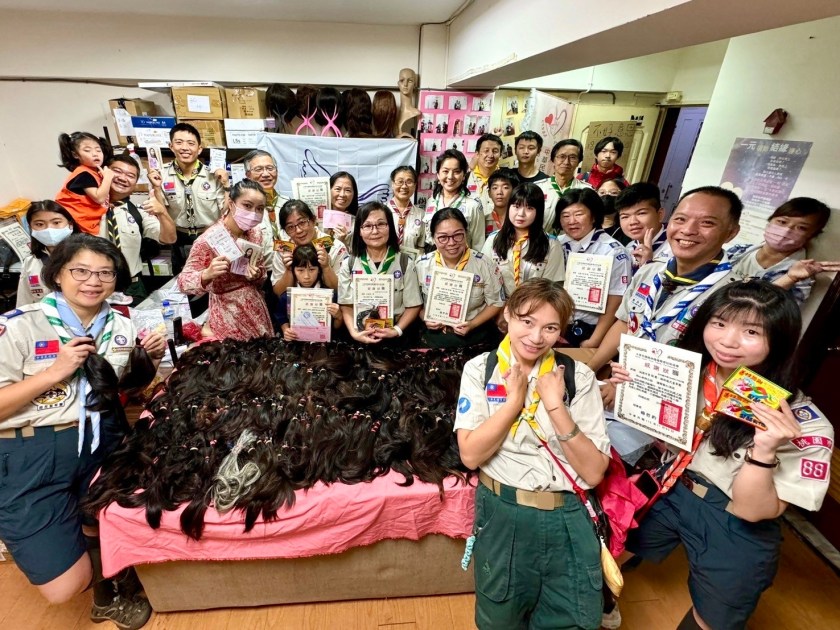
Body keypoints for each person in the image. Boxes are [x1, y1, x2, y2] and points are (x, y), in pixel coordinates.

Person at [610, 280, 833, 630]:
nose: (728, 341)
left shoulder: (805, 424)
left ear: (780, 339)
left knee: (715, 616)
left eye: (751, 331)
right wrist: (633, 391)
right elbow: (663, 437)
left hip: (734, 519)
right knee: (613, 548)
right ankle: (603, 606)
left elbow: (751, 510)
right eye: (719, 323)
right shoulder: (687, 373)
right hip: (670, 486)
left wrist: (765, 449)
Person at [0, 234, 165, 629]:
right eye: (81, 271)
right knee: (63, 587)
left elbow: (124, 390)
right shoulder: (18, 326)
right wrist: (53, 373)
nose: (93, 281)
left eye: (105, 273)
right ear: (57, 274)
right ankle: (94, 564)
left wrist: (148, 361)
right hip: (33, 450)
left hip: (104, 437)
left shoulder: (122, 324)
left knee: (108, 513)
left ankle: (111, 586)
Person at [455, 278, 611, 630]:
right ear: (508, 315)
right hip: (503, 509)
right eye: (527, 321)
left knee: (571, 617)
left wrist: (556, 406)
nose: (536, 337)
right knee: (500, 616)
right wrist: (513, 401)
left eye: (550, 328)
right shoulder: (481, 370)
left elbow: (593, 473)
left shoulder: (578, 377)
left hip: (567, 512)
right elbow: (470, 455)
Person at [587, 186, 743, 406]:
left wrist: (628, 386)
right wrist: (589, 370)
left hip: (676, 404)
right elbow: (625, 323)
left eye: (707, 223)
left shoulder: (734, 298)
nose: (688, 230)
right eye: (680, 219)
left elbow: (719, 369)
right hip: (623, 384)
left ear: (731, 232)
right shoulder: (650, 272)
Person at [177, 179, 272, 341]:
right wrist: (207, 274)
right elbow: (183, 282)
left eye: (260, 209)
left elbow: (261, 273)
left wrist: (257, 274)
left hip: (255, 309)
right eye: (247, 206)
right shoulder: (208, 239)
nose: (253, 213)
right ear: (231, 203)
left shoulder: (255, 233)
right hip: (227, 314)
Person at [415, 208, 504, 348]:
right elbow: (415, 303)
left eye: (458, 235)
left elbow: (496, 302)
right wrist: (425, 317)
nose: (451, 243)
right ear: (433, 238)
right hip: (434, 337)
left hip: (475, 336)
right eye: (443, 237)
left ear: (466, 233)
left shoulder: (484, 264)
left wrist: (472, 324)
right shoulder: (421, 265)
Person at [148, 123, 229, 275]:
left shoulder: (214, 175)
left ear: (199, 149)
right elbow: (160, 212)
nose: (185, 148)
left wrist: (226, 184)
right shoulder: (160, 175)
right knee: (183, 279)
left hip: (209, 236)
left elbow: (225, 211)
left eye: (191, 143)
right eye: (179, 142)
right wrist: (157, 188)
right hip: (178, 238)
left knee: (214, 278)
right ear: (171, 146)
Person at [338, 201, 423, 345]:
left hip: (395, 339)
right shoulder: (349, 263)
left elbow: (413, 305)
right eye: (367, 226)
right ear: (359, 230)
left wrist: (396, 330)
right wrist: (354, 333)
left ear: (390, 227)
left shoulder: (405, 262)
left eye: (381, 224)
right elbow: (346, 304)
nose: (375, 231)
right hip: (361, 335)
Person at [726, 197, 839, 304]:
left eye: (802, 228)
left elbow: (773, 313)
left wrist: (789, 279)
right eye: (782, 222)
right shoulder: (737, 251)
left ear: (812, 235)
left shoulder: (801, 277)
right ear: (770, 221)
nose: (787, 230)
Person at [556, 189, 631, 348]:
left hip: (587, 329)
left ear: (594, 216)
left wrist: (594, 341)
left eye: (579, 214)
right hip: (555, 324)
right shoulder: (556, 244)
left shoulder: (613, 251)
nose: (572, 221)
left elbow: (615, 301)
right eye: (565, 215)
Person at [101, 154, 176, 304]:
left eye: (130, 176)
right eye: (117, 171)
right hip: (94, 285)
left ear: (135, 183)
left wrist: (162, 212)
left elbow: (169, 238)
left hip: (131, 286)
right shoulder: (83, 211)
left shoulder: (139, 213)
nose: (123, 178)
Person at [483, 183, 565, 300]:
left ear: (538, 212)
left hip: (536, 305)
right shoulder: (493, 240)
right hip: (499, 305)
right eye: (516, 206)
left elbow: (551, 289)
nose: (521, 214)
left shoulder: (551, 244)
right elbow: (485, 279)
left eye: (529, 208)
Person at [271, 199, 348, 295]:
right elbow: (278, 292)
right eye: (290, 227)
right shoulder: (283, 249)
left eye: (302, 222)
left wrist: (326, 267)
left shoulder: (335, 246)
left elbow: (342, 291)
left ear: (313, 220)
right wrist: (289, 270)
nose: (298, 230)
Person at [17, 201, 80, 307]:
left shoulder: (87, 256)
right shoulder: (30, 262)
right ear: (31, 228)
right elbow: (24, 302)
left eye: (56, 222)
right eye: (39, 224)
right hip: (43, 316)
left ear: (70, 224)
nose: (49, 229)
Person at [277, 244, 342, 342]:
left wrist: (339, 316)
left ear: (319, 269)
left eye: (312, 269)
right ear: (293, 270)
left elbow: (336, 328)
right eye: (300, 270)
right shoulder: (287, 297)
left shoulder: (330, 296)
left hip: (324, 344)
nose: (306, 276)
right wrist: (286, 330)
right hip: (296, 343)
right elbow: (281, 318)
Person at [425, 150, 485, 250]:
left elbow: (478, 245)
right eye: (445, 171)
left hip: (462, 258)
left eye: (456, 172)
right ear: (438, 174)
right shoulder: (431, 202)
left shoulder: (473, 206)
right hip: (434, 258)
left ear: (463, 176)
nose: (450, 176)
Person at [55, 132, 114, 234]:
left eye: (98, 150)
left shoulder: (94, 172)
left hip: (86, 225)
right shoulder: (84, 174)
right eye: (87, 150)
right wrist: (108, 178)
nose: (95, 154)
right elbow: (99, 198)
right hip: (77, 227)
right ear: (75, 155)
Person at [537, 139, 593, 232]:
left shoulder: (587, 191)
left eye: (573, 157)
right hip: (541, 239)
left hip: (573, 240)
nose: (566, 162)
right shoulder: (538, 188)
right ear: (553, 159)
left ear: (579, 161)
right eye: (562, 156)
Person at [615, 182, 670, 271]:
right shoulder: (629, 248)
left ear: (660, 214)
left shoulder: (674, 248)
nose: (633, 222)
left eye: (641, 213)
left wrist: (647, 265)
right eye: (625, 217)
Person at [243, 149, 290, 253]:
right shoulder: (243, 209)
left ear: (277, 171)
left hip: (290, 261)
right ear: (248, 175)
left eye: (270, 168)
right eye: (258, 169)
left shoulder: (289, 204)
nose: (265, 174)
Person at [386, 165, 425, 256]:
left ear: (415, 186)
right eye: (400, 181)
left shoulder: (421, 215)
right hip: (386, 263)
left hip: (411, 263)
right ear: (392, 184)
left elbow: (421, 247)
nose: (404, 186)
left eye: (409, 182)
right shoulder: (381, 212)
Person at [467, 134, 504, 219]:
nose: (490, 155)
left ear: (500, 155)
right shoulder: (465, 179)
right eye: (486, 151)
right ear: (477, 154)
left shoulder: (507, 180)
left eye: (495, 151)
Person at [485, 170, 520, 235]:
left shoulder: (520, 219)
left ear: (514, 191)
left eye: (505, 187)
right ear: (489, 193)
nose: (499, 192)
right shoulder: (483, 221)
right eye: (495, 188)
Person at [329, 171, 359, 245]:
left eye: (348, 190)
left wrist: (342, 242)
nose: (342, 195)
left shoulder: (359, 223)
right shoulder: (317, 220)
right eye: (338, 189)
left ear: (354, 194)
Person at [397, 68, 421, 138]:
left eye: (410, 81)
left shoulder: (415, 112)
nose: (405, 84)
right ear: (398, 84)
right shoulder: (395, 113)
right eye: (402, 80)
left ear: (414, 84)